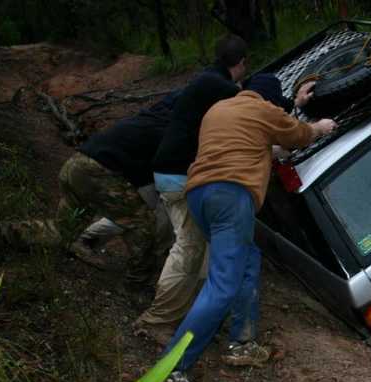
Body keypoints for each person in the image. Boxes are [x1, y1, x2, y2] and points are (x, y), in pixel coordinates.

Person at [161, 74, 337, 382]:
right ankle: (174, 367)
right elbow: (298, 135)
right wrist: (320, 128)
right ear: (269, 98)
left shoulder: (219, 110)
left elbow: (248, 148)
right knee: (222, 285)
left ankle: (241, 342)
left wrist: (273, 151)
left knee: (247, 259)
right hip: (231, 195)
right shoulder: (263, 109)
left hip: (199, 194)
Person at [132, 34, 316, 343]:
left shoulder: (208, 81)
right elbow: (260, 109)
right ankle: (158, 321)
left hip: (174, 172)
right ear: (242, 63)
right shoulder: (224, 90)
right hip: (183, 175)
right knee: (190, 247)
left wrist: (291, 105)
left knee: (205, 251)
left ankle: (200, 319)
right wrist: (296, 109)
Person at [0, 92, 179, 284]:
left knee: (60, 231)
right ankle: (137, 284)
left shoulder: (156, 116)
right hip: (99, 171)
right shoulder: (172, 132)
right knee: (144, 226)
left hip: (77, 164)